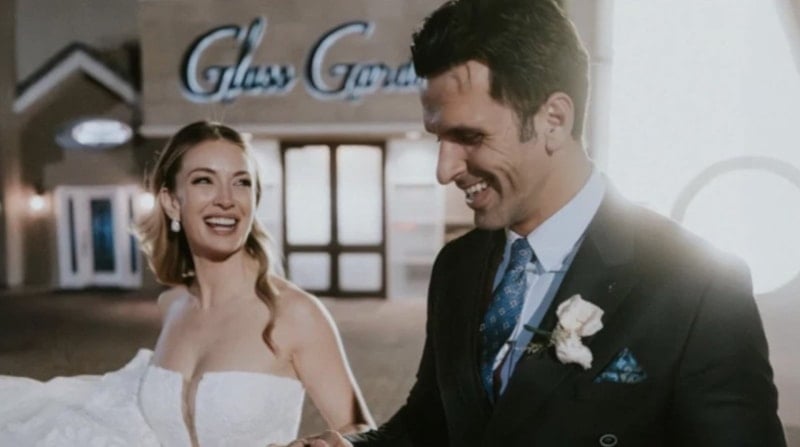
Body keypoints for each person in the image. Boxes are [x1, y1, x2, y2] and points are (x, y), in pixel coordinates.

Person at [289, 0, 786, 446]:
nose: (444, 169)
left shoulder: (698, 286)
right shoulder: (458, 266)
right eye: (439, 138)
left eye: (470, 137)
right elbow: (431, 423)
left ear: (554, 120)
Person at [0, 121, 374, 446]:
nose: (226, 199)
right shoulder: (173, 305)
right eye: (204, 181)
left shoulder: (294, 314)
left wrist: (324, 444)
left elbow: (361, 429)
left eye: (241, 182)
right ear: (171, 202)